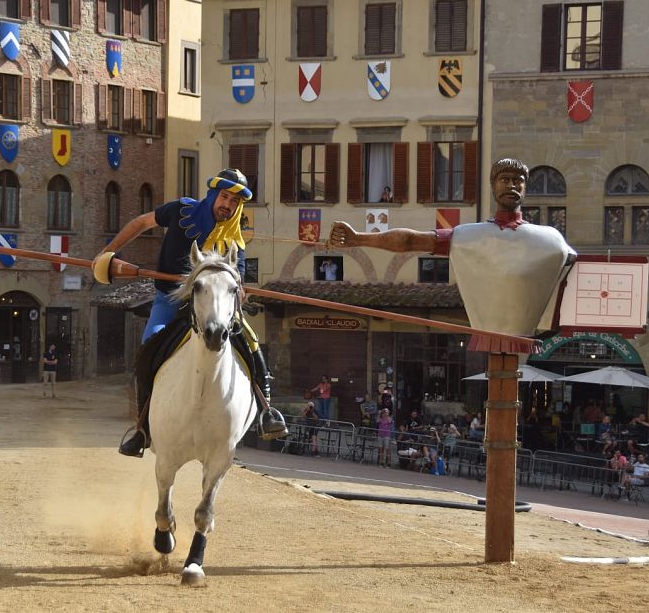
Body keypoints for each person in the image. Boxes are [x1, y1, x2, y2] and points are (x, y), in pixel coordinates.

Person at [93, 168, 287, 457]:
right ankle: (143, 428)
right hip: (170, 302)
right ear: (213, 195)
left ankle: (267, 412)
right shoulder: (181, 210)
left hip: (216, 309)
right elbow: (141, 223)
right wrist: (108, 251)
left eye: (235, 202)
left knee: (251, 344)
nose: (228, 206)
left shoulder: (236, 240)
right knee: (149, 347)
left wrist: (239, 288)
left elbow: (240, 282)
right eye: (224, 197)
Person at [329, 157, 576, 339]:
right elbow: (412, 241)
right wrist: (358, 238)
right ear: (493, 186)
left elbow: (570, 267)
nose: (511, 186)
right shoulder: (470, 235)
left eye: (518, 181)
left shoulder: (551, 239)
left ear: (525, 188)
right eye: (504, 180)